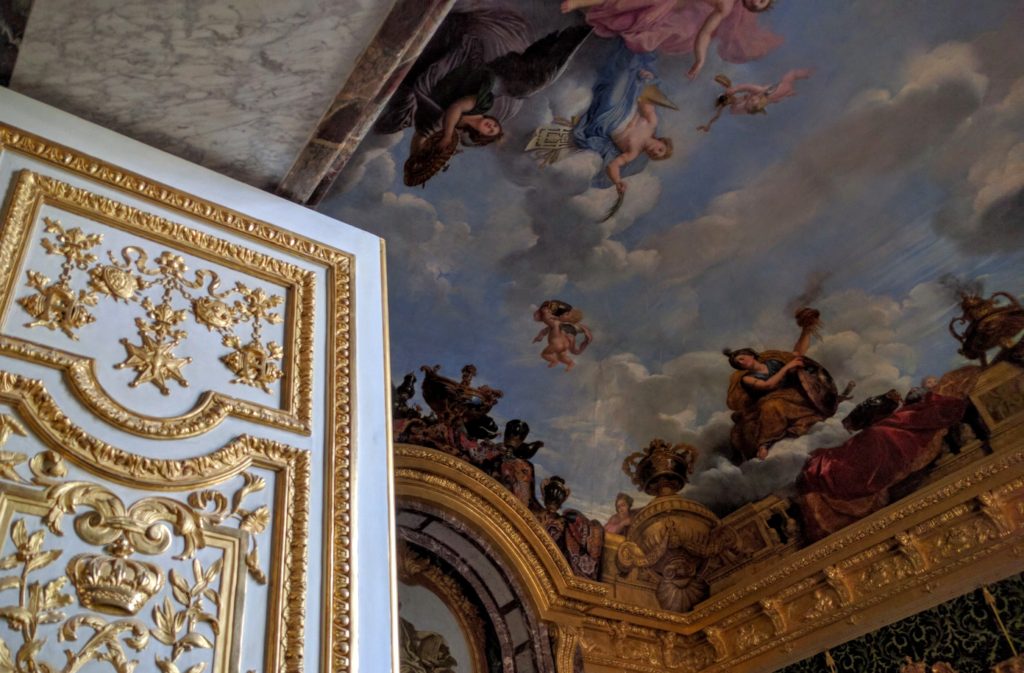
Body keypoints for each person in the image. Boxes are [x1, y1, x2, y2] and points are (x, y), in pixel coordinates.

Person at [797, 371, 974, 542]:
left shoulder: (934, 400)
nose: (932, 384)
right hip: (896, 423)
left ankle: (853, 467)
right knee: (874, 435)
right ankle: (847, 466)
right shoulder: (917, 398)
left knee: (879, 434)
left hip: (902, 424)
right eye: (929, 382)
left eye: (934, 382)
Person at [561, 0, 782, 80]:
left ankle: (579, 2)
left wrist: (700, 59)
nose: (755, 1)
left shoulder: (724, 7)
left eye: (759, 5)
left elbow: (704, 33)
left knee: (631, 6)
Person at [571, 44, 675, 195]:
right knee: (624, 75)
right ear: (661, 141)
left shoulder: (633, 152)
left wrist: (617, 181)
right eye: (660, 149)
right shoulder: (652, 124)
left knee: (612, 96)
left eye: (655, 155)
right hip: (626, 106)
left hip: (608, 121)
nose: (655, 151)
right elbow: (647, 103)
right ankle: (630, 47)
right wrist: (646, 82)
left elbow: (613, 166)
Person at [724, 308, 827, 461]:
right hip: (768, 401)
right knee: (772, 406)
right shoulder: (747, 379)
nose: (741, 362)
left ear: (751, 355)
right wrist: (786, 367)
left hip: (792, 395)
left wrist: (806, 330)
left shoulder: (773, 361)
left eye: (742, 358)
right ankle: (765, 444)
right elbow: (768, 386)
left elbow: (797, 354)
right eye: (738, 362)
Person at [697, 69, 811, 132]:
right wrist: (708, 126)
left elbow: (745, 88)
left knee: (790, 77)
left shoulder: (757, 95)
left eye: (752, 99)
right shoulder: (755, 97)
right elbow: (717, 115)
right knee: (791, 76)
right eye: (753, 99)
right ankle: (804, 77)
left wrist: (734, 89)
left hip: (777, 93)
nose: (753, 98)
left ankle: (804, 77)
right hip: (777, 93)